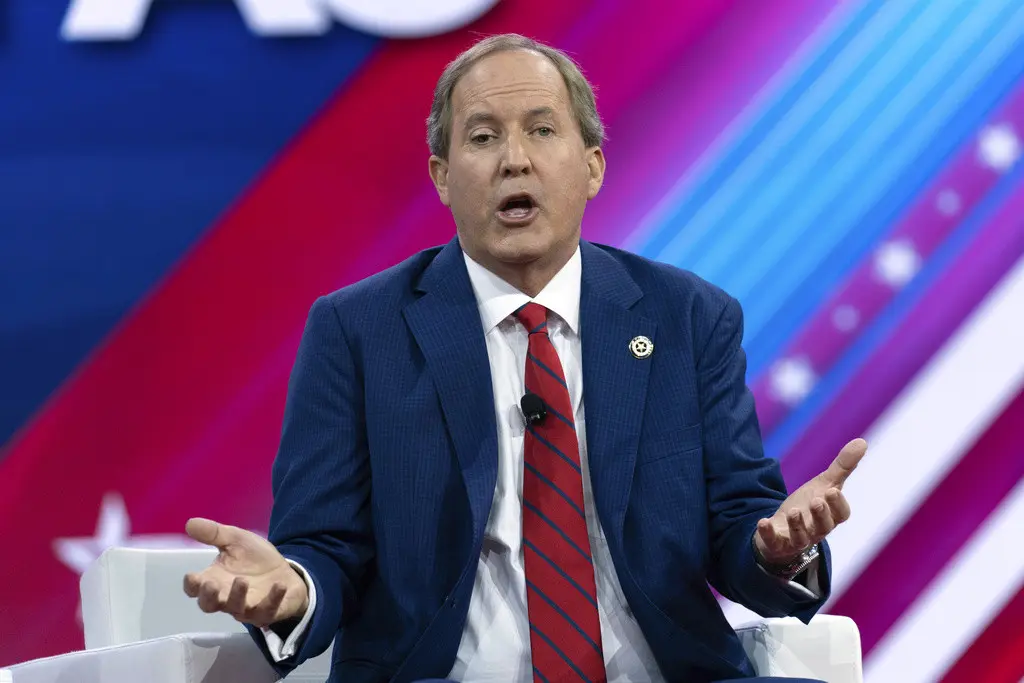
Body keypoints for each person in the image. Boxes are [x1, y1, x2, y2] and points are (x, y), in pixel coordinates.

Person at [182, 33, 866, 683]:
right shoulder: (359, 331)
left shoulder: (688, 317)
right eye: (483, 137)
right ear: (443, 177)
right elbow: (323, 546)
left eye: (542, 130)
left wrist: (781, 549)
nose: (515, 159)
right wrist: (290, 589)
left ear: (592, 165)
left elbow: (739, 516)